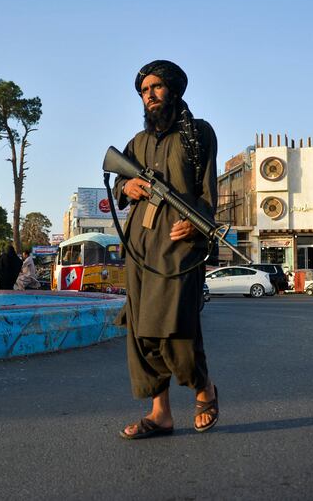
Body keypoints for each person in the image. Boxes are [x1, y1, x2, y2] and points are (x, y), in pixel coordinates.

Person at [113, 60, 218, 439]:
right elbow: (117, 185)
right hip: (139, 248)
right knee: (141, 331)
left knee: (176, 327)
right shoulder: (137, 144)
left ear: (173, 90)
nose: (150, 95)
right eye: (144, 91)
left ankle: (203, 387)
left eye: (156, 87)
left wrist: (198, 222)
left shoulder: (199, 134)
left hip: (179, 245)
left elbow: (208, 193)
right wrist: (126, 188)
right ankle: (160, 414)